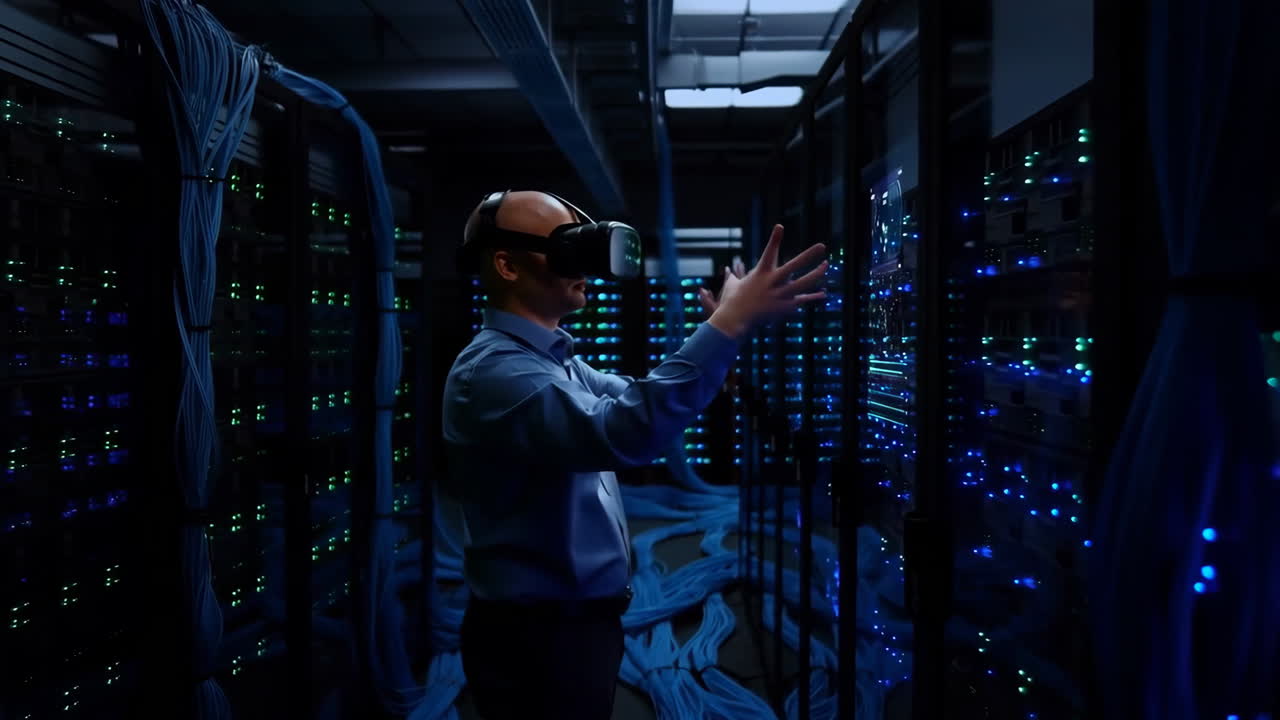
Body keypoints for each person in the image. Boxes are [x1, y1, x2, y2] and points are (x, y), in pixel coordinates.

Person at [442, 190, 827, 720]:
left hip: (572, 623)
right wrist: (726, 326)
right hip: (538, 633)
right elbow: (627, 430)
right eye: (567, 249)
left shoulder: (556, 361)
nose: (586, 268)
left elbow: (638, 399)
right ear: (506, 264)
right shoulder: (496, 372)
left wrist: (723, 339)